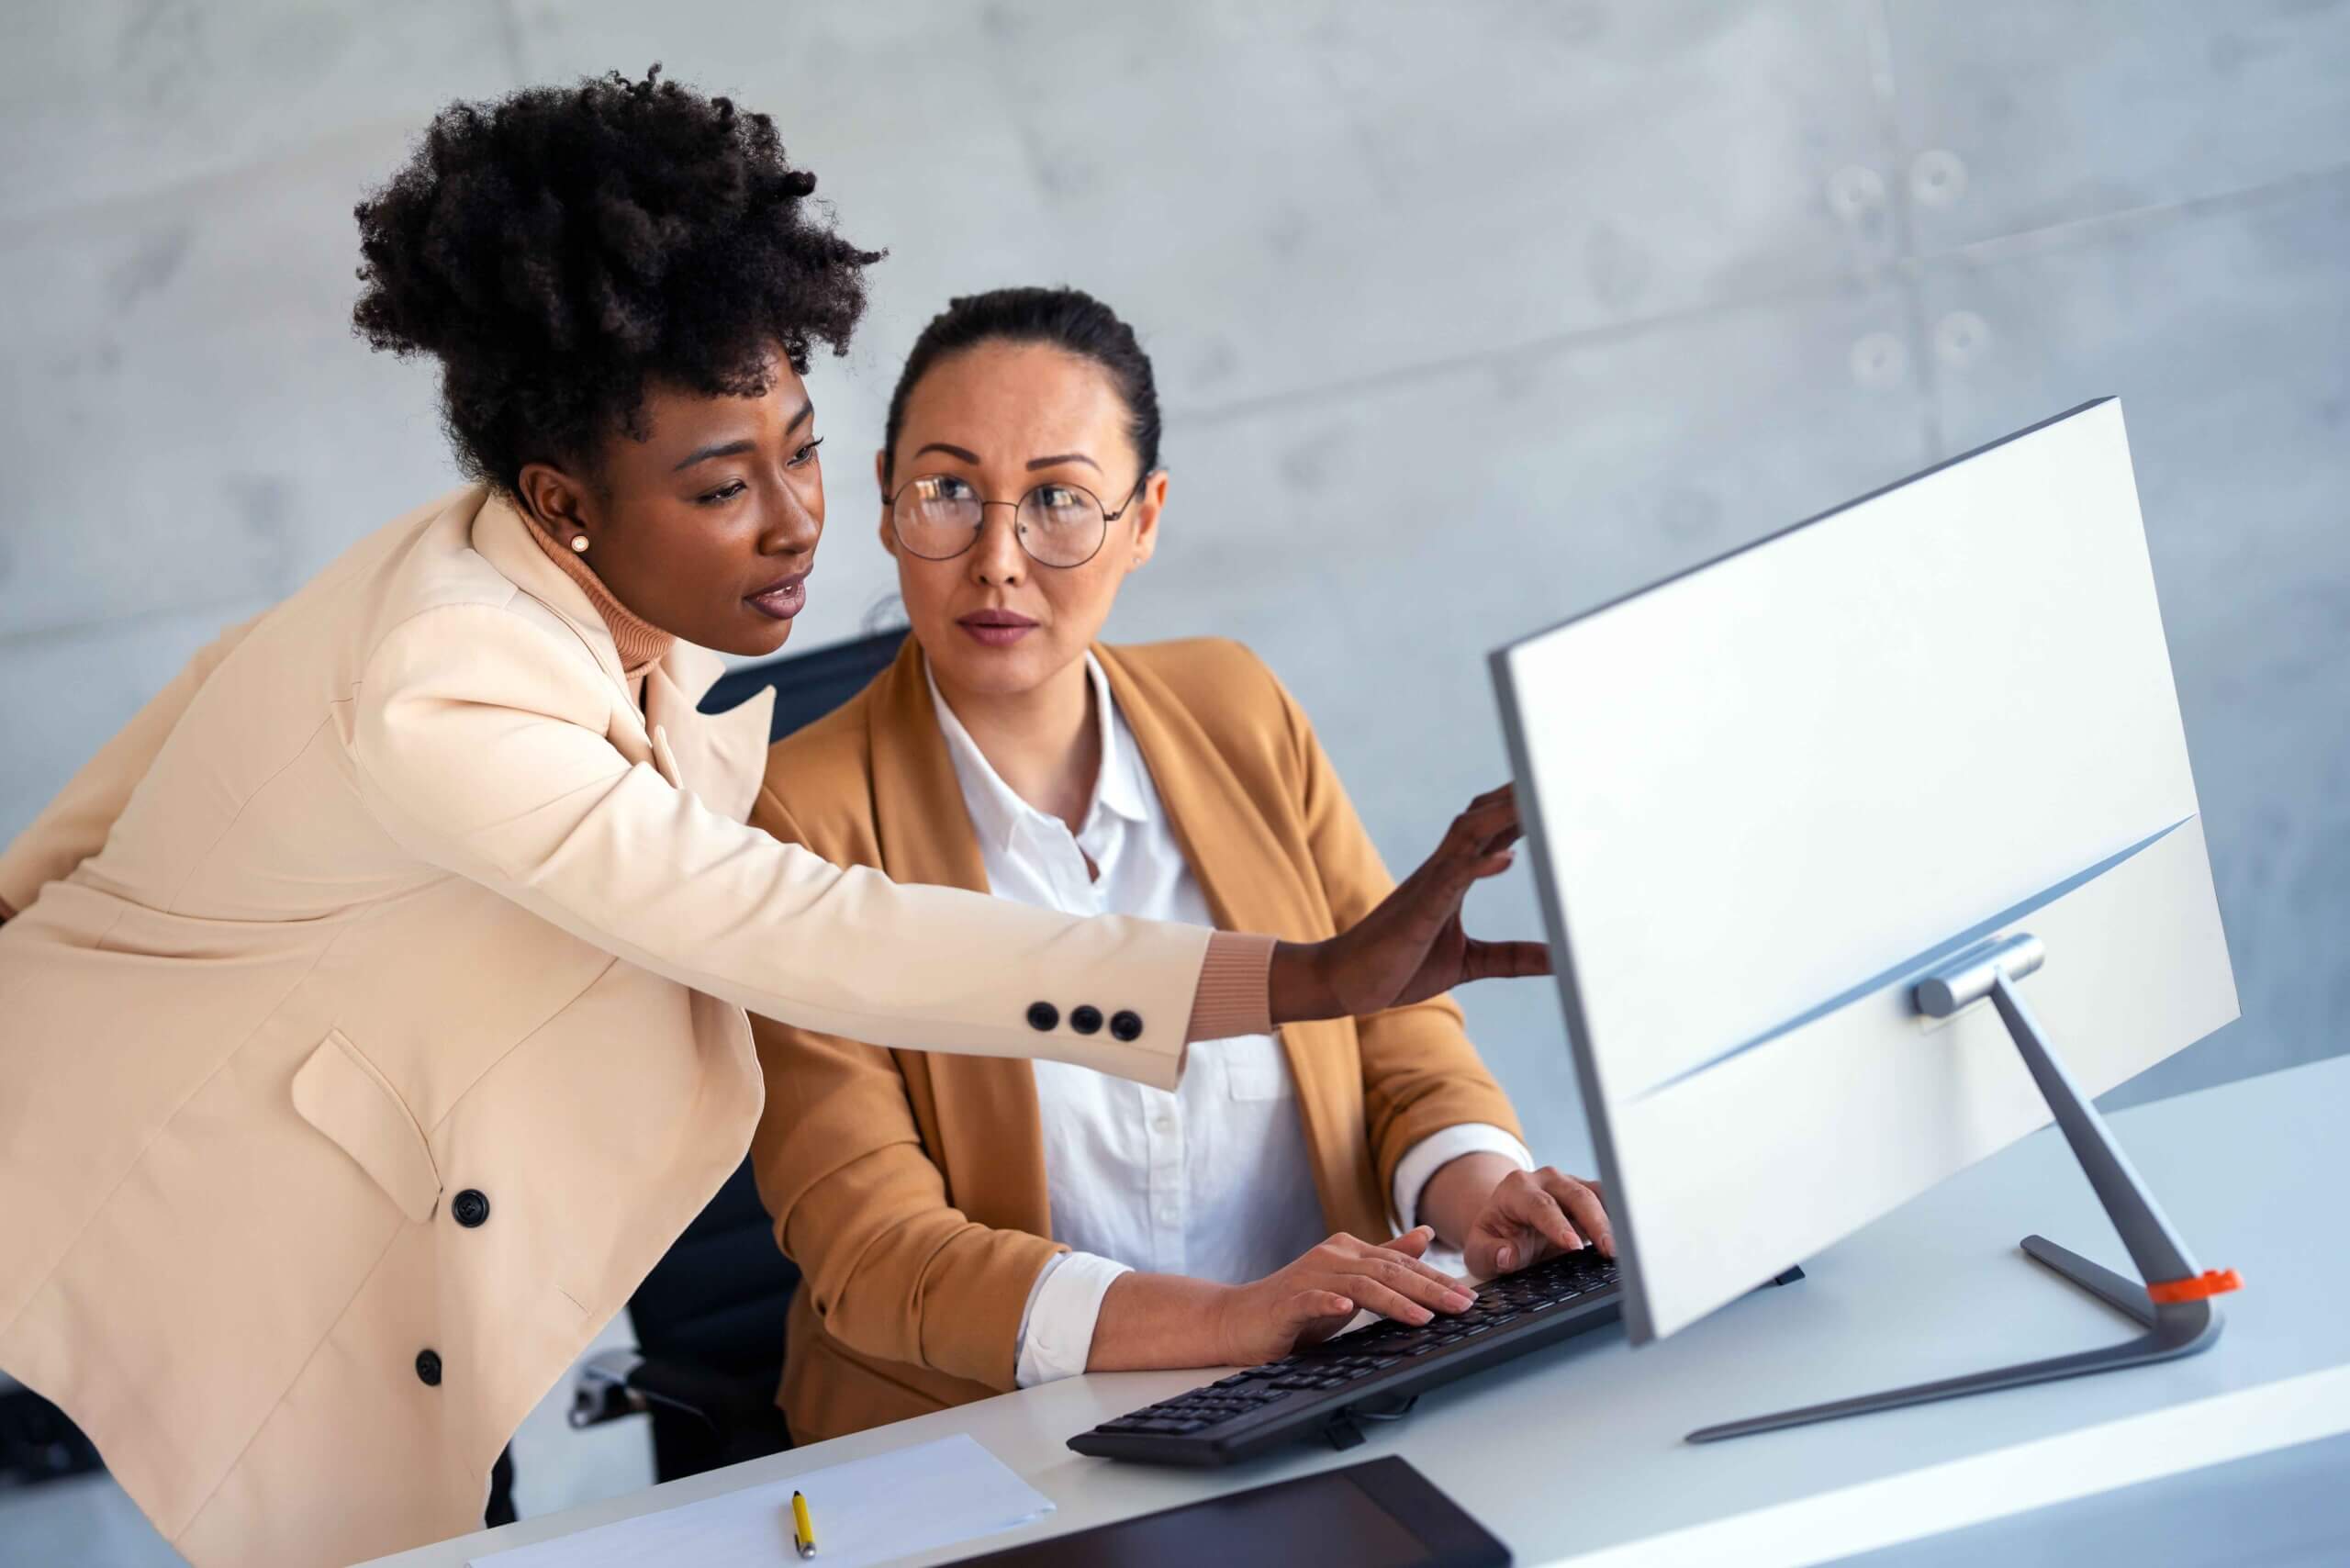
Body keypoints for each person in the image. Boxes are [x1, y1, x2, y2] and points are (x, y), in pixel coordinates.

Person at [0, 77, 1544, 1568]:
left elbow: (120, 788)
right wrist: (1301, 977)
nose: (799, 519)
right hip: (190, 1184)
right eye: (726, 484)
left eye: (800, 448)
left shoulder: (508, 563)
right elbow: (812, 932)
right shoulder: (444, 688)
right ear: (565, 502)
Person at [747, 287, 1610, 1443]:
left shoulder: (1234, 706)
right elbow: (876, 1252)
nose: (996, 559)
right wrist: (1230, 1322)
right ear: (886, 499)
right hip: (991, 1442)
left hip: (1329, 1396)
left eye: (1059, 500)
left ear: (1143, 518)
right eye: (948, 491)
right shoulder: (792, 817)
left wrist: (1481, 1195)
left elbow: (1396, 1042)